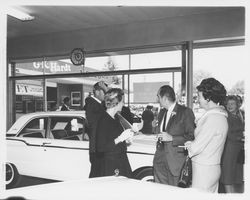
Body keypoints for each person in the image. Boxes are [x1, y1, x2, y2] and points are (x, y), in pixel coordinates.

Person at [184, 78, 228, 193]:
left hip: (204, 170)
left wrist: (189, 144)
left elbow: (196, 148)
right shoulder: (220, 116)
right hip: (211, 167)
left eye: (199, 96)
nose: (197, 99)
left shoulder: (213, 118)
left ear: (207, 98)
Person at [153, 85, 195, 186]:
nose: (157, 99)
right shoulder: (162, 112)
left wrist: (172, 138)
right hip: (159, 160)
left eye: (158, 97)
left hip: (175, 162)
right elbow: (161, 132)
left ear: (164, 98)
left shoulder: (185, 112)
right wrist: (154, 128)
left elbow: (192, 136)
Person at [96, 88, 134, 178]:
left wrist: (126, 140)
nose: (123, 104)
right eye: (122, 102)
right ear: (116, 103)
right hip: (111, 163)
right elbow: (101, 147)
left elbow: (114, 138)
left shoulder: (116, 117)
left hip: (120, 160)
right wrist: (120, 138)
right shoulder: (103, 120)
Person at [83, 81, 108, 178]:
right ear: (97, 92)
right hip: (96, 148)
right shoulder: (91, 105)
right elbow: (96, 125)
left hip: (100, 146)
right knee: (95, 176)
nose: (106, 95)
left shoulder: (99, 105)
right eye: (104, 93)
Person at [220, 95, 244, 193]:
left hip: (236, 150)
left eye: (232, 104)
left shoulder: (238, 115)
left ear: (237, 105)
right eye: (228, 104)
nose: (230, 106)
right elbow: (227, 133)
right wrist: (240, 137)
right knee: (228, 176)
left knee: (233, 176)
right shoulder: (227, 117)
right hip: (229, 149)